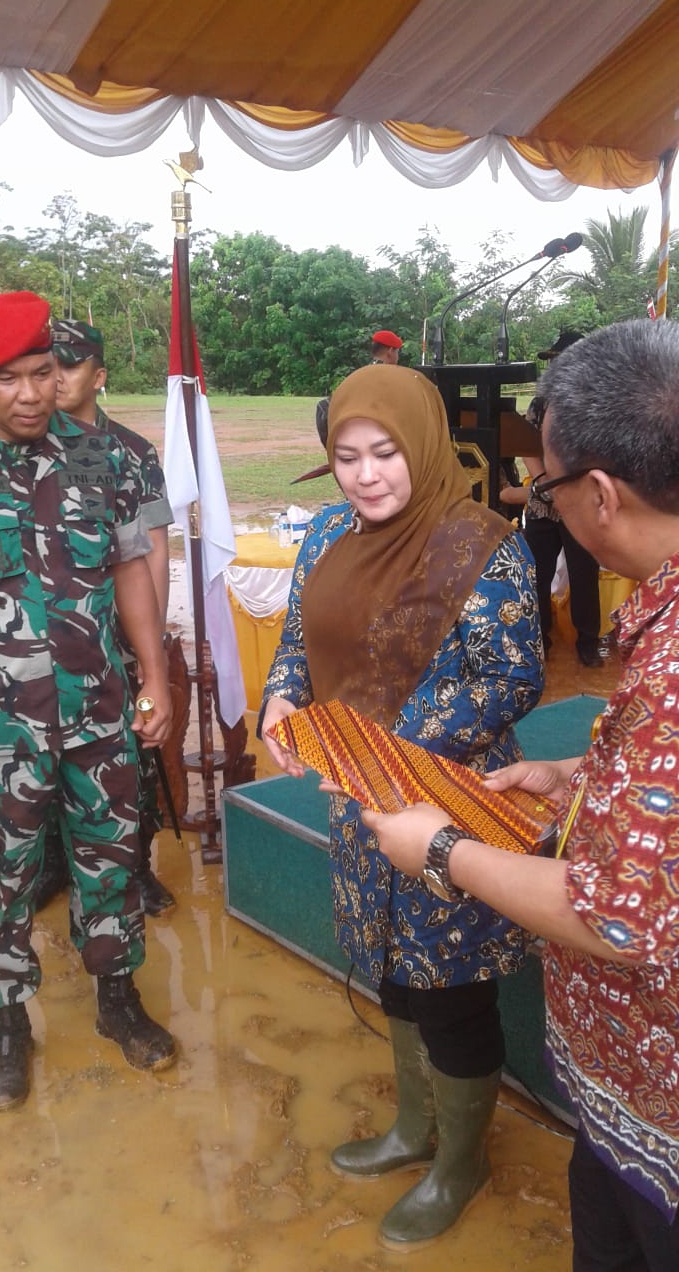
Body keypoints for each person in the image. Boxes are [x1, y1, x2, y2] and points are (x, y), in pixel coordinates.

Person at [363, 320, 679, 1270]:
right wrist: (575, 772)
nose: (367, 473)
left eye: (543, 484)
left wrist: (443, 852)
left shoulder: (666, 665)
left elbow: (622, 921)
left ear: (599, 495)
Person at [260, 364, 544, 1250]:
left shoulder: (482, 545)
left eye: (386, 452)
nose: (366, 474)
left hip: (453, 802)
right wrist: (282, 696)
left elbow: (513, 678)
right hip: (360, 807)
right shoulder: (330, 534)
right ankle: (413, 1131)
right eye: (346, 456)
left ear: (423, 445)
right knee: (390, 969)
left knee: (452, 990)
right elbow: (302, 641)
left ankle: (461, 1162)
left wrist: (379, 737)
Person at [0, 291, 176, 1112]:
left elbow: (129, 570)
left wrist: (153, 678)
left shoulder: (102, 458)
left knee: (111, 854)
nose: (28, 394)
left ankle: (118, 996)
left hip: (98, 705)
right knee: (3, 869)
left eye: (42, 373)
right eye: (5, 378)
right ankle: (7, 1020)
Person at [31, 318, 175, 916]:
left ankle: (133, 866)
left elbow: (151, 551)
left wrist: (153, 650)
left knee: (130, 760)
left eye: (68, 365)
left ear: (100, 376)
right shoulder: (26, 446)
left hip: (119, 637)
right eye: (48, 365)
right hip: (50, 641)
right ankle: (56, 867)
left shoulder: (129, 452)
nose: (56, 379)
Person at [501, 330, 603, 667]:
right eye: (553, 360)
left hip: (577, 503)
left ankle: (588, 642)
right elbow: (527, 444)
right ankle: (539, 635)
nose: (556, 365)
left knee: (583, 573)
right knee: (536, 572)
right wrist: (544, 480)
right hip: (543, 502)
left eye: (561, 358)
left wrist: (571, 488)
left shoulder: (597, 400)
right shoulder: (540, 402)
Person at [315, 329, 404, 447]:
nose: (397, 357)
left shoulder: (360, 371)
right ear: (390, 351)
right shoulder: (389, 376)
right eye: (397, 352)